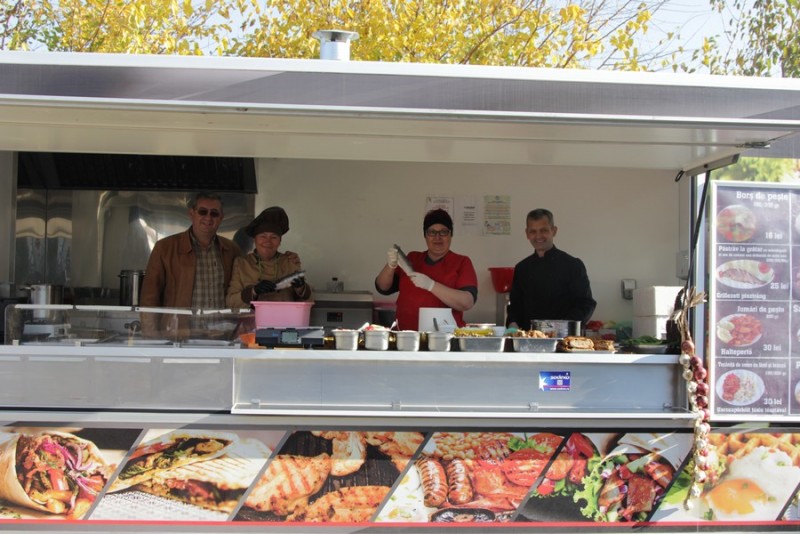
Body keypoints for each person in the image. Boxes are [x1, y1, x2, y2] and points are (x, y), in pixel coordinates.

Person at [139, 192, 242, 336]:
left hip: (222, 337)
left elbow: (238, 293)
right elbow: (149, 297)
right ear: (191, 213)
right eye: (202, 212)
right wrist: (151, 338)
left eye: (214, 213)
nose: (208, 217)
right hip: (178, 337)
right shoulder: (165, 248)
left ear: (221, 217)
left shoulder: (232, 250)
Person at [375, 209, 477, 330]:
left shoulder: (461, 262)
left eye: (443, 232)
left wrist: (431, 285)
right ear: (425, 236)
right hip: (405, 335)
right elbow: (383, 287)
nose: (437, 237)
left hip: (445, 338)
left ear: (451, 235)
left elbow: (467, 302)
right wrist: (390, 266)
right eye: (432, 232)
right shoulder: (412, 258)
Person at [507, 208, 596, 330]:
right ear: (527, 234)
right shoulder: (522, 268)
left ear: (554, 231)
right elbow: (515, 306)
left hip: (565, 337)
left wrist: (562, 327)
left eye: (544, 230)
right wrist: (512, 324)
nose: (538, 236)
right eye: (533, 231)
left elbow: (585, 304)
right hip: (529, 337)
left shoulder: (573, 265)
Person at [226, 206, 312, 308]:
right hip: (252, 318)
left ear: (279, 241)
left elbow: (309, 302)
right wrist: (254, 291)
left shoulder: (290, 261)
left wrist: (301, 288)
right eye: (263, 236)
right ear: (255, 240)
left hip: (285, 317)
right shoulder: (241, 263)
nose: (268, 241)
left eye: (274, 237)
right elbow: (230, 302)